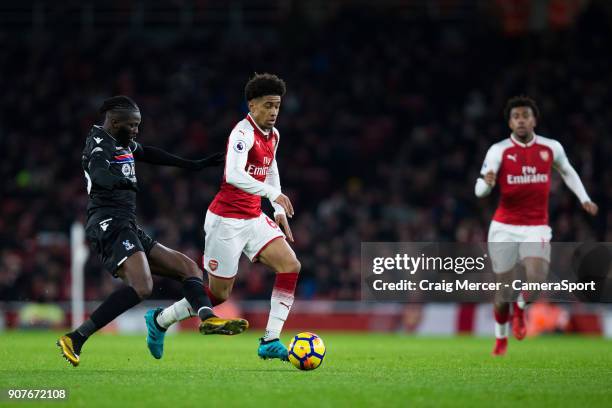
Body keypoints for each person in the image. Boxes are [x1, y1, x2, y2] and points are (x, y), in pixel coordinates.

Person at [57, 96, 248, 367]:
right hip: (108, 223)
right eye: (132, 125)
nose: (136, 130)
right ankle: (76, 337)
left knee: (188, 267)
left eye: (138, 125)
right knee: (142, 286)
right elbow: (98, 172)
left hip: (127, 224)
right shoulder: (99, 142)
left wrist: (192, 164)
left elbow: (148, 153)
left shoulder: (121, 142)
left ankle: (208, 318)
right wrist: (118, 180)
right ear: (114, 122)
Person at [145, 73, 300, 361]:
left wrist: (277, 209)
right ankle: (159, 321)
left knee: (290, 265)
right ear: (252, 105)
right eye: (268, 105)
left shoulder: (273, 135)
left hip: (253, 217)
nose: (274, 112)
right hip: (225, 221)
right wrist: (271, 194)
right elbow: (234, 174)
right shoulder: (242, 134)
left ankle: (270, 340)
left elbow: (270, 167)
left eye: (277, 105)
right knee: (218, 295)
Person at [475, 95, 598, 356]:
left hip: (536, 226)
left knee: (537, 277)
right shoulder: (498, 151)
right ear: (510, 123)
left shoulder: (551, 148)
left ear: (534, 120)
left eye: (525, 116)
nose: (521, 120)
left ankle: (520, 308)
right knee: (503, 290)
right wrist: (486, 183)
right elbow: (479, 191)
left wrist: (584, 198)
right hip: (504, 227)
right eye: (516, 117)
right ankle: (500, 339)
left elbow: (567, 171)